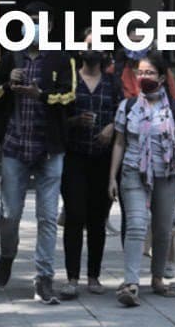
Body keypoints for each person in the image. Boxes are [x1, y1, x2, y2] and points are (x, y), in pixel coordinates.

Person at [0, 1, 76, 304]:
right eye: (29, 20)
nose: (34, 25)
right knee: (10, 213)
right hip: (15, 146)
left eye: (39, 21)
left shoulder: (62, 58)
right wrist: (7, 84)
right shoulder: (11, 57)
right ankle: (7, 253)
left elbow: (69, 95)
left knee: (47, 217)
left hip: (49, 149)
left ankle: (44, 277)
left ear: (49, 26)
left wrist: (41, 94)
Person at [109, 51, 175, 308]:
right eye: (140, 72)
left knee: (162, 228)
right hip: (133, 171)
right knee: (136, 225)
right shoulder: (128, 107)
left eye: (149, 73)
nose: (143, 77)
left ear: (162, 78)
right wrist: (112, 177)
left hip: (167, 174)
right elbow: (119, 143)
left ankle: (157, 278)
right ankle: (131, 283)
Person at [60, 29, 121, 299]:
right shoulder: (70, 81)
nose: (92, 50)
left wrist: (112, 127)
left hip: (103, 159)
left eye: (97, 46)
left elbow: (124, 114)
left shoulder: (112, 83)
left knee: (98, 219)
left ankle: (94, 276)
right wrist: (75, 121)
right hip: (74, 157)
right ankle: (72, 278)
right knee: (75, 215)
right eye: (88, 45)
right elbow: (57, 117)